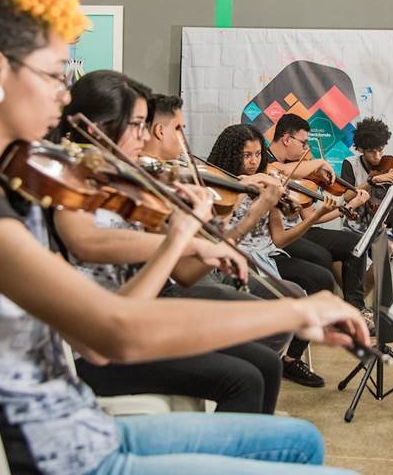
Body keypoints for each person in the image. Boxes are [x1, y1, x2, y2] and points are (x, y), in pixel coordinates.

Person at [0, 0, 366, 475]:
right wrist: (295, 312)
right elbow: (114, 333)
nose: (64, 98)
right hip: (66, 458)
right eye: (54, 75)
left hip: (87, 427)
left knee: (299, 442)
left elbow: (93, 337)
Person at [50, 73, 286, 416]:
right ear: (99, 126)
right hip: (96, 342)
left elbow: (186, 273)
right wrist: (187, 243)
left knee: (266, 364)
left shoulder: (129, 184)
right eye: (136, 125)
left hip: (140, 317)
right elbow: (87, 241)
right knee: (243, 379)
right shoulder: (70, 179)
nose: (144, 136)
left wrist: (211, 230)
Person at [208, 123, 347, 388]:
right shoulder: (220, 186)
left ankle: (291, 359)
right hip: (235, 257)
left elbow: (280, 239)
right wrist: (245, 192)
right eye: (246, 155)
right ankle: (257, 357)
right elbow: (216, 232)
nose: (253, 161)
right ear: (231, 155)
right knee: (290, 293)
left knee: (322, 279)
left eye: (257, 154)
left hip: (267, 254)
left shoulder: (267, 184)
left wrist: (314, 216)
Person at [266, 115, 373, 324]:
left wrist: (348, 206)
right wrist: (321, 162)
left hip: (303, 229)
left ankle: (356, 308)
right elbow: (282, 171)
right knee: (321, 256)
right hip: (280, 236)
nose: (306, 149)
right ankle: (324, 317)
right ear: (287, 139)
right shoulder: (268, 162)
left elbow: (310, 217)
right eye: (303, 143)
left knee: (355, 243)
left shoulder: (299, 168)